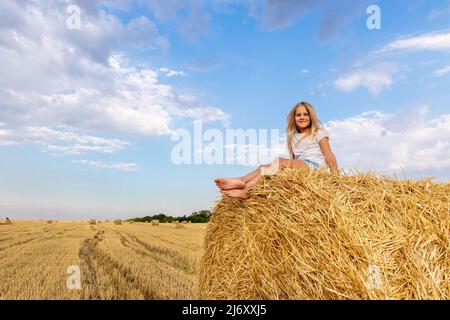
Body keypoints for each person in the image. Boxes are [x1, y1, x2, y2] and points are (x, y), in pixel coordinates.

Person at [214, 101, 339, 199]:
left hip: (316, 167)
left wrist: (336, 179)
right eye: (298, 115)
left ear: (311, 117)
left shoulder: (318, 132)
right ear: (293, 118)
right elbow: (295, 160)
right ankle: (242, 180)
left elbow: (328, 155)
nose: (302, 117)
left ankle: (246, 191)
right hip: (303, 168)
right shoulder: (293, 136)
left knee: (279, 161)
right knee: (263, 166)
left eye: (305, 114)